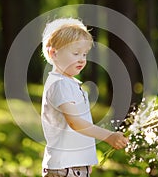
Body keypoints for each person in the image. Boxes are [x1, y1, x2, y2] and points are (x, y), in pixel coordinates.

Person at [41, 18, 128, 177]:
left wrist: (84, 162)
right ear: (53, 53)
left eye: (84, 54)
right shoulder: (60, 84)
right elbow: (76, 123)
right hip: (64, 168)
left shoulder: (70, 83)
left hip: (73, 166)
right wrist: (108, 136)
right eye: (75, 53)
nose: (82, 59)